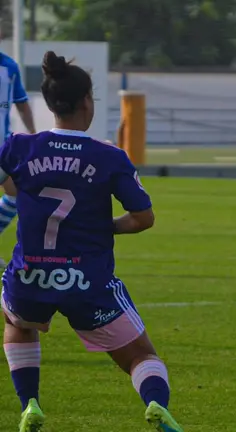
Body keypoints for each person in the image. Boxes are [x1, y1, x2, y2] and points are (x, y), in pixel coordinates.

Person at [0, 51, 183, 432]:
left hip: (32, 276)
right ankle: (155, 404)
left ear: (50, 104)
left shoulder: (18, 147)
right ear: (87, 102)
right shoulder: (108, 156)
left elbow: (10, 182)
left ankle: (30, 402)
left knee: (17, 320)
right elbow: (143, 219)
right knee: (140, 357)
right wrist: (106, 227)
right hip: (88, 282)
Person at [0, 49, 37, 263]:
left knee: (16, 195)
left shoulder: (9, 67)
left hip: (3, 147)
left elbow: (22, 104)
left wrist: (33, 136)